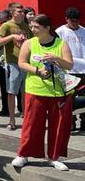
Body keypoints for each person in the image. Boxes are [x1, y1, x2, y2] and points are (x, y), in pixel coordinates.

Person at [12, 14, 75, 171]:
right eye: (32, 27)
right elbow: (21, 63)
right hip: (35, 89)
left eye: (36, 27)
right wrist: (36, 70)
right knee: (31, 124)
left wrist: (56, 58)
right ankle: (23, 154)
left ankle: (54, 157)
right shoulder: (29, 43)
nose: (33, 30)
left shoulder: (61, 44)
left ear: (47, 28)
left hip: (58, 92)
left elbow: (69, 65)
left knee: (58, 125)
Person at [0, 3, 32, 130]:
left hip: (26, 63)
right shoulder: (6, 26)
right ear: (12, 13)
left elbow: (32, 43)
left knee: (26, 92)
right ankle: (12, 120)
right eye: (19, 12)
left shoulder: (26, 26)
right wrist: (12, 36)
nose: (22, 14)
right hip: (12, 62)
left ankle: (26, 117)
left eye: (23, 12)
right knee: (12, 92)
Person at [56, 7, 85, 132]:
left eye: (77, 21)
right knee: (69, 100)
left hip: (83, 69)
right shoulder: (60, 32)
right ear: (66, 19)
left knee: (84, 98)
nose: (75, 23)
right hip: (68, 70)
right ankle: (70, 123)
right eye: (72, 21)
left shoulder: (84, 31)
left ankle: (84, 122)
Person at [0, 9, 11, 117]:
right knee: (4, 86)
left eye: (3, 21)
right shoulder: (3, 28)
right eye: (0, 22)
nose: (2, 24)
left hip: (11, 59)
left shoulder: (13, 27)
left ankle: (18, 107)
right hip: (1, 59)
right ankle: (6, 108)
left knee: (14, 87)